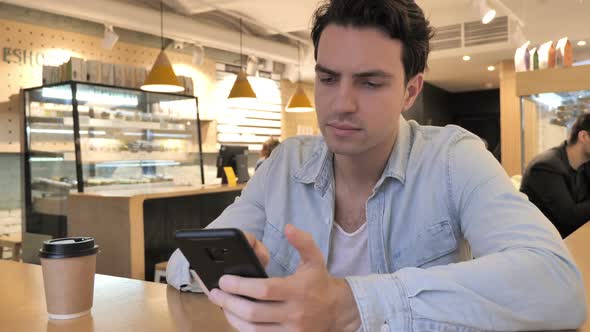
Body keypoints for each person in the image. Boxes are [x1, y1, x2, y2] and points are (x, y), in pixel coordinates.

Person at [168, 0, 587, 330]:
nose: (341, 104)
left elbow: (557, 285)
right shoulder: (285, 164)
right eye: (328, 78)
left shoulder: (452, 158)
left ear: (410, 91)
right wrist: (230, 268)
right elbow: (181, 263)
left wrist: (352, 304)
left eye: (370, 83)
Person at [521, 113, 590, 238]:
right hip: (544, 245)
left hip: (570, 240)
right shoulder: (545, 167)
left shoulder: (584, 165)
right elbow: (570, 217)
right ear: (584, 136)